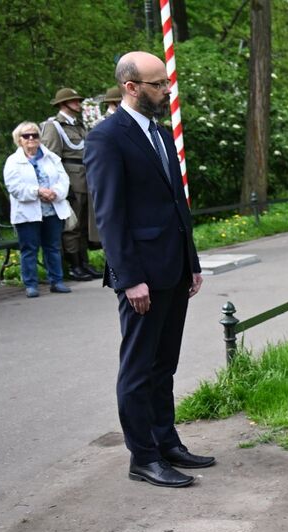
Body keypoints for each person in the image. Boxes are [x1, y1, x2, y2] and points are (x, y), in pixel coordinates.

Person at [84, 51, 214, 488]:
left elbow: (177, 203)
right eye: (158, 84)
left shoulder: (159, 133)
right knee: (139, 369)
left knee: (165, 364)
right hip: (141, 275)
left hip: (174, 269)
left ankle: (167, 441)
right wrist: (129, 277)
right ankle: (143, 457)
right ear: (131, 87)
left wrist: (191, 263)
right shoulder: (107, 137)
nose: (166, 91)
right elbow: (110, 215)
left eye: (166, 83)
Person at [3, 121, 73, 298]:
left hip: (52, 209)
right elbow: (14, 187)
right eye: (26, 136)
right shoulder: (13, 161)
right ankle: (31, 284)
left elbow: (64, 179)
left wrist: (55, 193)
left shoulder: (51, 158)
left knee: (53, 247)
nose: (31, 138)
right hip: (28, 213)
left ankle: (56, 281)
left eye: (35, 135)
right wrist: (38, 191)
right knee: (29, 249)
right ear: (19, 140)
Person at [41, 87, 100, 282]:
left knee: (83, 224)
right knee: (71, 226)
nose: (78, 103)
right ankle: (74, 266)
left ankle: (84, 263)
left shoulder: (78, 125)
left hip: (85, 178)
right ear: (63, 104)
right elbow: (51, 158)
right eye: (74, 100)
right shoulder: (54, 126)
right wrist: (62, 187)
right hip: (69, 180)